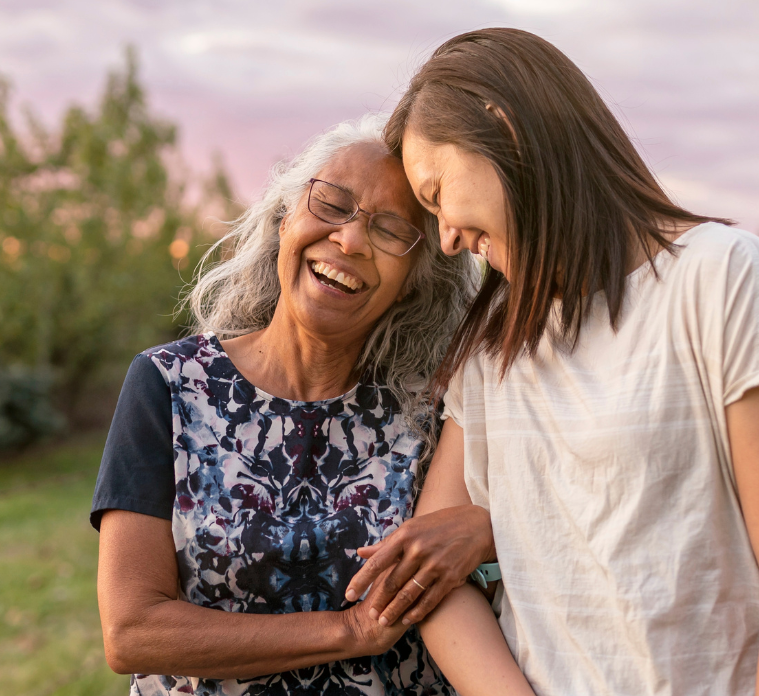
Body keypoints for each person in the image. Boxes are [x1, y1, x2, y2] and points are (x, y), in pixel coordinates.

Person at [348, 28, 759, 696]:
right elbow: (431, 581)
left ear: (504, 129)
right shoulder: (495, 346)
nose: (446, 237)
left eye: (438, 192)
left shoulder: (726, 282)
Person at [90, 113, 525, 695]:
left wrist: (485, 529)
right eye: (331, 204)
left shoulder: (436, 409)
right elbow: (133, 631)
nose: (349, 240)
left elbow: (523, 531)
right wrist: (347, 630)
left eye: (391, 230)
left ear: (419, 280)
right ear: (284, 218)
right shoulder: (168, 384)